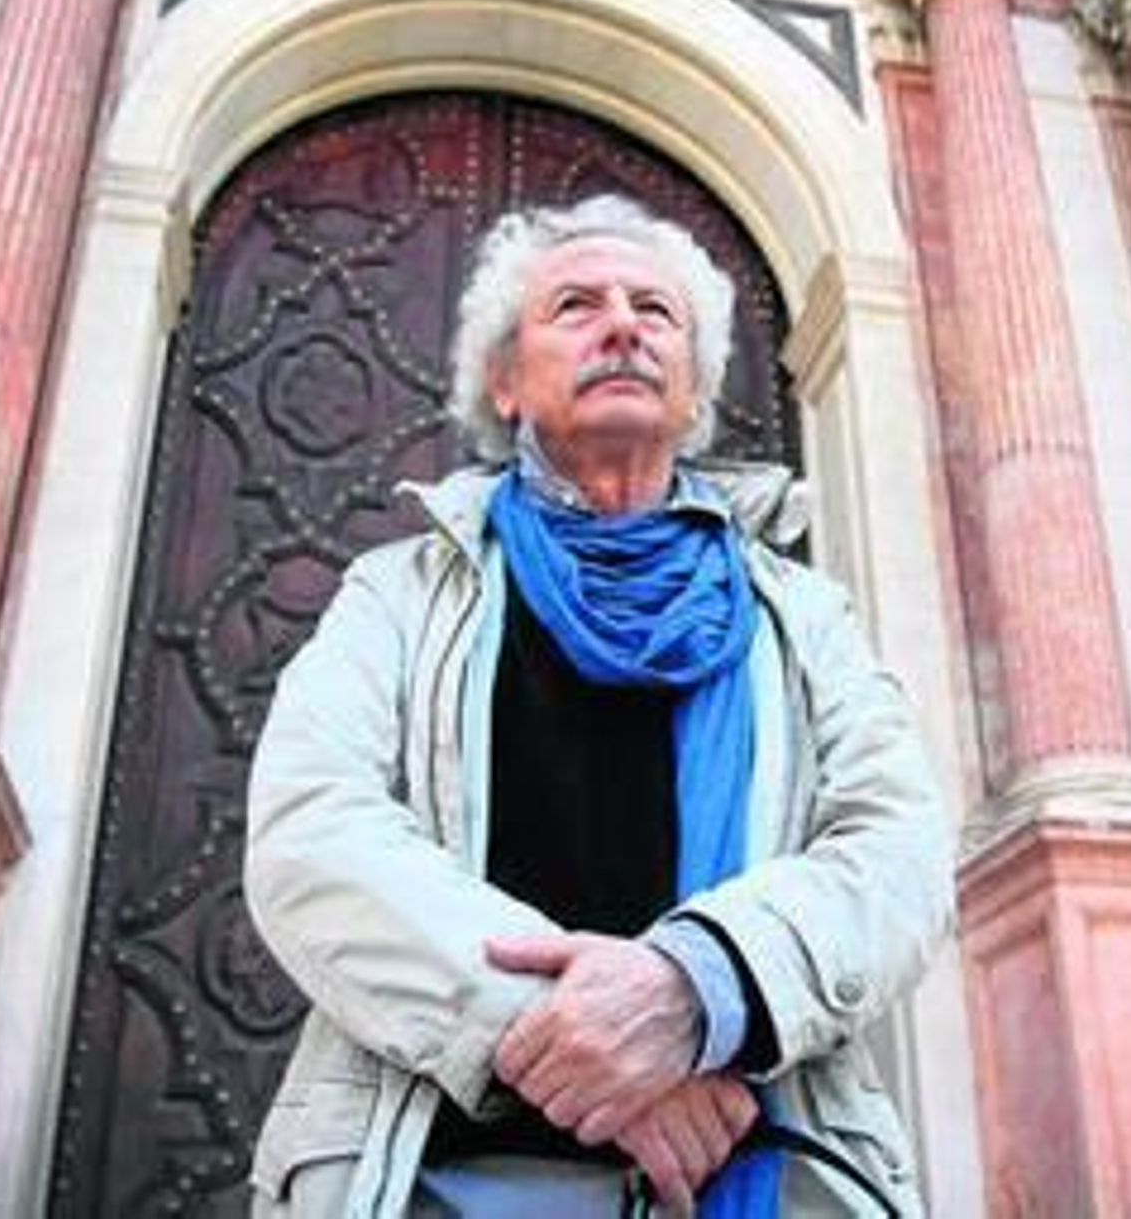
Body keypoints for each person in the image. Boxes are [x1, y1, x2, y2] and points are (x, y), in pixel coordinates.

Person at [245, 195, 954, 1217]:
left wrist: (696, 986)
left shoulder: (803, 613)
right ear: (504, 379)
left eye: (653, 310)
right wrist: (589, 1041)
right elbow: (312, 833)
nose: (621, 323)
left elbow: (899, 849)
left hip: (756, 1167)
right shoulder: (396, 591)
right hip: (436, 1176)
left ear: (695, 384)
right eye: (574, 304)